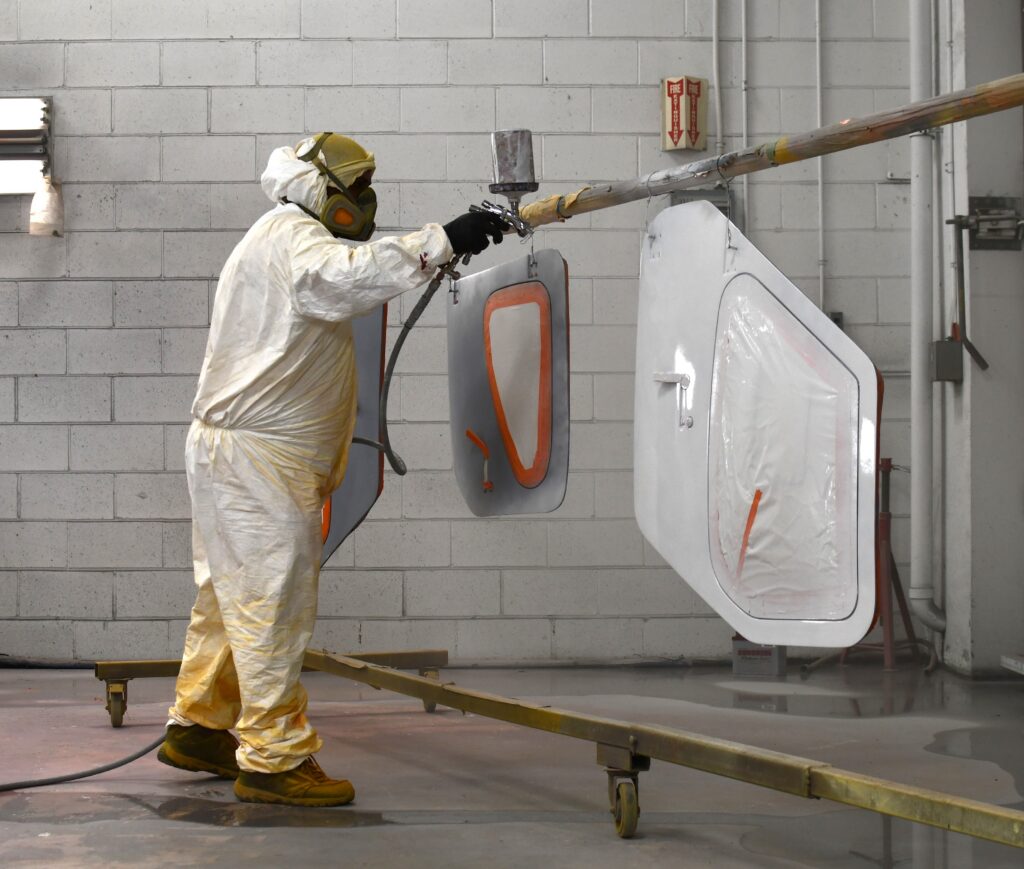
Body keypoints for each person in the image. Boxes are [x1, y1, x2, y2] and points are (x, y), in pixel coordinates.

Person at [156, 133, 506, 807]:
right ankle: (274, 760)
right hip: (256, 460)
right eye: (354, 192)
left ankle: (200, 725)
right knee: (269, 606)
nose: (363, 203)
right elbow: (346, 277)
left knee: (228, 603)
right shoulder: (294, 239)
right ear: (319, 189)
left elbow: (349, 271)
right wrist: (441, 239)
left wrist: (443, 244)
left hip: (239, 455)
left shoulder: (285, 236)